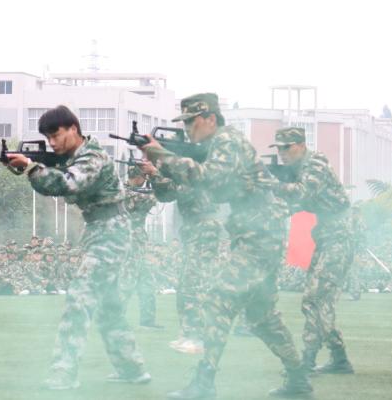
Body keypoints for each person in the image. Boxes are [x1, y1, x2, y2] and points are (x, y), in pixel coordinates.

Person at [144, 93, 310, 399]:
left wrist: (162, 155)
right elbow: (214, 190)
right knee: (262, 317)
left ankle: (204, 382)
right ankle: (299, 378)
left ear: (210, 118)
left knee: (218, 299)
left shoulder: (227, 141)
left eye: (191, 122)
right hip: (258, 233)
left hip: (259, 235)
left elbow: (210, 180)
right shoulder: (218, 145)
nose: (187, 129)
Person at [3, 105, 148, 391]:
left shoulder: (92, 156)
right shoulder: (72, 158)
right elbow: (54, 181)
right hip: (100, 229)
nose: (52, 142)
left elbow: (68, 184)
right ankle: (132, 368)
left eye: (56, 135)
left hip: (111, 231)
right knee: (108, 308)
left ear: (73, 128)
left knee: (79, 299)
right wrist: (30, 168)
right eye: (48, 138)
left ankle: (64, 372)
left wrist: (31, 168)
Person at [272, 126, 356, 375]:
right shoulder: (299, 169)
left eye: (286, 147)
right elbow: (295, 203)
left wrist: (270, 184)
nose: (282, 153)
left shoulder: (315, 164)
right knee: (319, 300)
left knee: (315, 299)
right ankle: (339, 358)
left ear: (301, 145)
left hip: (339, 236)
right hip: (327, 236)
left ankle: (308, 360)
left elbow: (303, 193)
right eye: (278, 148)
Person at [147, 146, 223, 356]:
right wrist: (155, 174)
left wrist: (157, 171)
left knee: (194, 284)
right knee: (186, 284)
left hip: (203, 230)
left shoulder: (198, 177)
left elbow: (180, 191)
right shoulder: (188, 177)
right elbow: (165, 195)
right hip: (194, 230)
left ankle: (197, 337)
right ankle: (189, 334)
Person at [120, 162, 160, 329]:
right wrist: (157, 180)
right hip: (128, 244)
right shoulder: (124, 192)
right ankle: (115, 320)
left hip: (138, 245)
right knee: (126, 283)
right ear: (137, 177)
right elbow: (151, 199)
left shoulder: (133, 191)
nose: (144, 181)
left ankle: (147, 321)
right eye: (144, 178)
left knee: (147, 283)